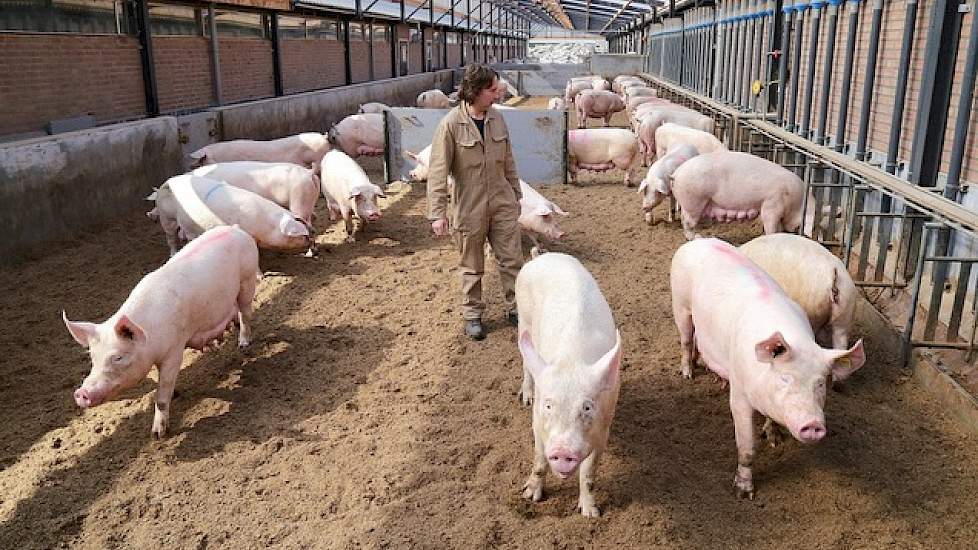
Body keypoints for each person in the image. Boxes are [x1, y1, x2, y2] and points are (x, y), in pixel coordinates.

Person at [426, 64, 524, 341]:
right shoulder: (450, 125)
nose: (497, 95)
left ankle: (516, 308)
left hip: (501, 200)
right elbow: (437, 171)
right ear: (476, 91)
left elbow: (509, 160)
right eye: (492, 90)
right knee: (471, 264)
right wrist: (437, 213)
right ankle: (473, 315)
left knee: (512, 259)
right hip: (468, 205)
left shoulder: (497, 119)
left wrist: (516, 194)